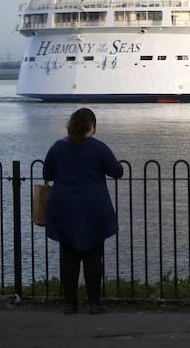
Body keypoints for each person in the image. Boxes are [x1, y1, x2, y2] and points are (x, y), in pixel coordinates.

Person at [43, 108, 123, 314]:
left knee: (68, 257)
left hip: (64, 209)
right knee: (93, 257)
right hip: (92, 210)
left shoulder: (58, 147)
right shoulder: (98, 148)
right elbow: (117, 171)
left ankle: (70, 303)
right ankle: (94, 303)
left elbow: (47, 173)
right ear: (92, 127)